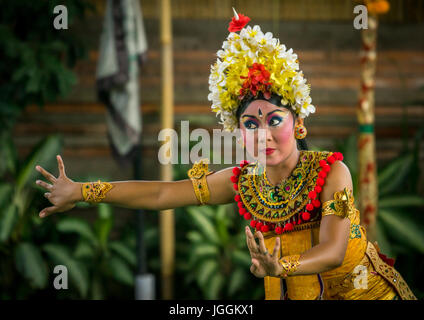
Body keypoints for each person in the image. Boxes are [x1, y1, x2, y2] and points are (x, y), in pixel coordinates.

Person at [34, 10, 416, 300]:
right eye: (250, 123)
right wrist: (81, 191)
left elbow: (333, 251)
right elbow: (162, 194)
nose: (263, 133)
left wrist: (280, 266)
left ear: (298, 123)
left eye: (274, 119)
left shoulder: (333, 173)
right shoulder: (244, 182)